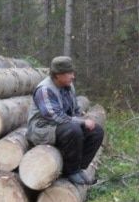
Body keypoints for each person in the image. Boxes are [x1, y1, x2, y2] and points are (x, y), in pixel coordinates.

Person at [26, 56, 104, 185]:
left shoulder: (68, 86)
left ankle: (79, 168)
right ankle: (71, 171)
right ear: (57, 75)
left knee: (96, 131)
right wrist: (82, 122)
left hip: (61, 127)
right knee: (73, 130)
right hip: (42, 130)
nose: (73, 76)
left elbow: (75, 110)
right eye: (69, 73)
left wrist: (84, 119)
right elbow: (54, 116)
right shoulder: (44, 90)